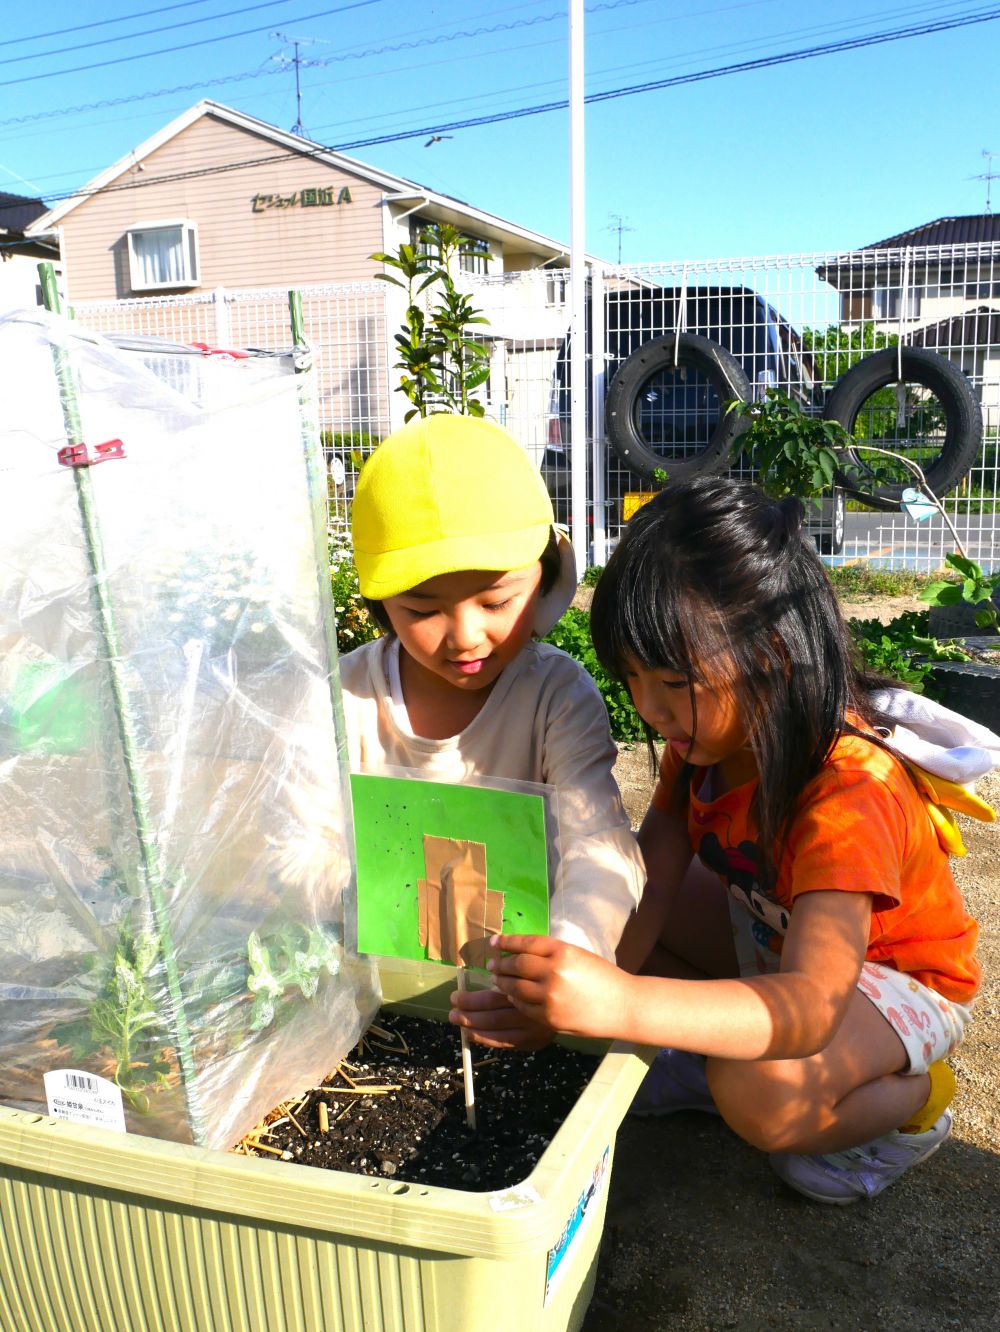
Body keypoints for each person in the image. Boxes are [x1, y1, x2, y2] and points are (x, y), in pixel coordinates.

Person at [452, 476, 988, 1203]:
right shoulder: (703, 745)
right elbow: (648, 883)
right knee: (611, 904)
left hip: (895, 981)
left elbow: (810, 1007)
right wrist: (566, 1001)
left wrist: (622, 1004)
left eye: (673, 680)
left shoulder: (848, 788)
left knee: (761, 1089)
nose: (648, 707)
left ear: (771, 652)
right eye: (632, 676)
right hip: (772, 936)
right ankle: (703, 1050)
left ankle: (914, 1102)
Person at [342, 413, 644, 1047]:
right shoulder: (346, 697)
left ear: (544, 576)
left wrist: (565, 964)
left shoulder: (555, 696)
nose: (466, 637)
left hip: (521, 993)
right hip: (377, 993)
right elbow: (303, 841)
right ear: (380, 604)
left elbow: (599, 848)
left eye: (497, 601)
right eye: (422, 611)